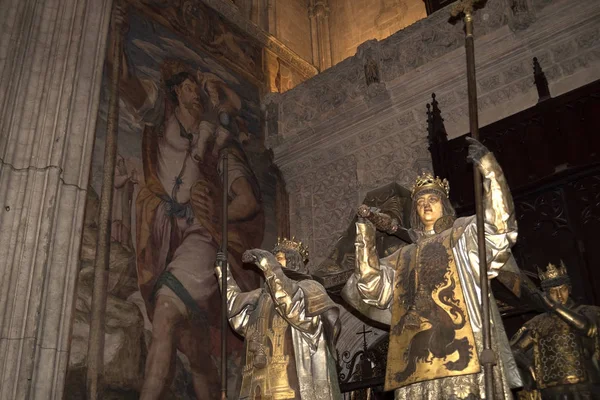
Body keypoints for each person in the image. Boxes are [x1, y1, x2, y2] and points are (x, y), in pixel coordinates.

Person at [108, 5, 264, 399]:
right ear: (176, 90)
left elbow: (247, 202)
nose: (197, 92)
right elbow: (125, 82)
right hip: (162, 237)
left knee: (164, 312)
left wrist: (214, 213)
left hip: (199, 239)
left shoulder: (219, 146)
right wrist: (116, 35)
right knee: (194, 351)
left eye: (200, 87)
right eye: (191, 85)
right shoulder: (161, 127)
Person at [342, 137, 522, 399]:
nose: (426, 204)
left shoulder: (463, 235)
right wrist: (365, 233)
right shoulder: (403, 256)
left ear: (443, 204)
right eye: (420, 201)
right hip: (417, 363)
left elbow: (499, 227)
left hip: (467, 341)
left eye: (433, 199)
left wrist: (490, 170)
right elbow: (371, 287)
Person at [216, 238, 342, 399]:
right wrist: (223, 274)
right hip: (261, 380)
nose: (273, 262)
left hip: (290, 379)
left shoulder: (310, 288)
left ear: (293, 262)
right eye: (273, 259)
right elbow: (238, 315)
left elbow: (293, 307)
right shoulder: (262, 298)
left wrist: (268, 264)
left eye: (279, 259)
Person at [510, 261, 600, 399]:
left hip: (586, 384)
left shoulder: (588, 311)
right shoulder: (537, 322)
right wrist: (529, 366)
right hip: (551, 389)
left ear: (569, 289)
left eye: (562, 289)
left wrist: (555, 307)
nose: (559, 296)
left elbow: (588, 328)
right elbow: (515, 350)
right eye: (553, 292)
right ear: (546, 294)